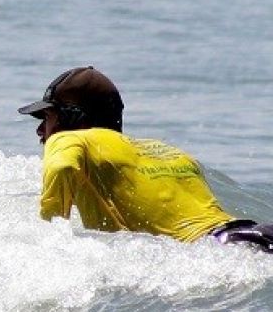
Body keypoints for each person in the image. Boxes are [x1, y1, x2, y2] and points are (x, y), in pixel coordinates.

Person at [18, 66, 273, 252]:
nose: (41, 131)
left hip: (225, 250)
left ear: (74, 118)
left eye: (47, 118)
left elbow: (62, 164)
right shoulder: (165, 150)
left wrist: (49, 243)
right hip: (250, 233)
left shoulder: (71, 139)